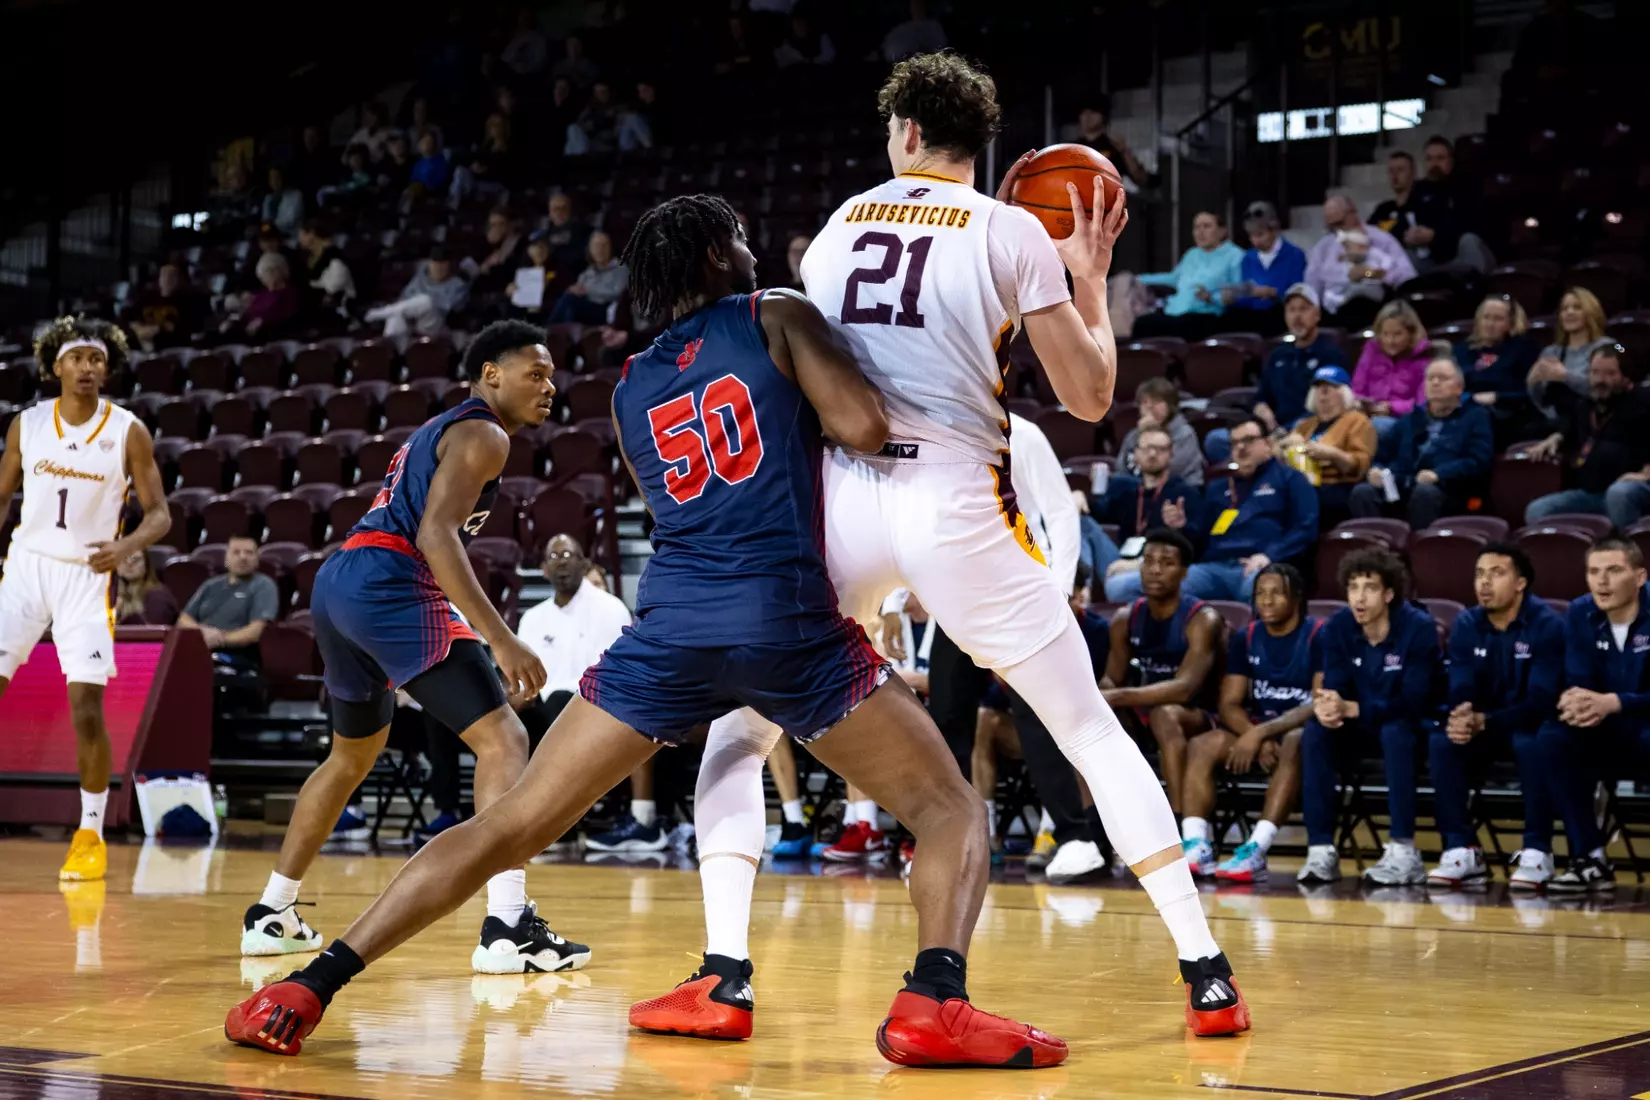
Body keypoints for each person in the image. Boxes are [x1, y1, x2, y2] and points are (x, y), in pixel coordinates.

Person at [227, 199, 1069, 1069]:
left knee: (512, 823)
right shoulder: (774, 312)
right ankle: (934, 999)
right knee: (947, 807)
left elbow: (668, 505)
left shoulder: (630, 384)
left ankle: (308, 986)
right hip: (783, 620)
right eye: (738, 238)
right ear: (713, 255)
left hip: (671, 629)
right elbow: (863, 428)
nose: (750, 250)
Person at [648, 53, 1248, 1042]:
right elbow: (1090, 398)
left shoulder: (840, 225)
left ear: (908, 134)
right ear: (979, 143)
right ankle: (1207, 974)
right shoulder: (1011, 230)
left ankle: (722, 974)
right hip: (957, 501)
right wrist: (1089, 280)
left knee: (742, 733)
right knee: (1089, 731)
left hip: (844, 498)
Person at [230, 321, 591, 988]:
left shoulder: (442, 428)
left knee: (350, 757)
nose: (550, 387)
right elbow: (436, 536)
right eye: (535, 374)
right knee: (506, 740)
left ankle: (272, 913)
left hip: (340, 581)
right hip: (390, 582)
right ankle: (508, 925)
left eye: (551, 376)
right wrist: (501, 637)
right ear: (490, 375)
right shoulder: (486, 434)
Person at [0, 317, 170, 881]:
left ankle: (89, 834)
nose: (87, 368)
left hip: (86, 577)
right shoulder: (27, 425)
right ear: (56, 366)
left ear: (107, 368)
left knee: (86, 709)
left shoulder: (128, 430)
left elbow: (160, 515)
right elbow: (1, 496)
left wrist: (125, 546)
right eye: (76, 358)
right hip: (26, 568)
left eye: (96, 359)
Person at [1297, 549, 1444, 887]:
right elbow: (1335, 685)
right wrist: (1329, 706)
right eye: (1353, 587)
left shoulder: (1418, 628)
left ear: (1389, 594)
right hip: (1361, 725)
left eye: (1370, 588)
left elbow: (1414, 700)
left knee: (1396, 732)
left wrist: (1355, 708)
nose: (1359, 597)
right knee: (1315, 732)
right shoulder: (1337, 627)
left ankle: (1403, 851)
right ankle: (1320, 849)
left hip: (1413, 724)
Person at [1432, 543, 1565, 889]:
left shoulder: (1547, 625)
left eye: (1496, 573)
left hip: (1530, 722)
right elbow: (1460, 682)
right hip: (1483, 725)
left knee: (1533, 742)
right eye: (1479, 574)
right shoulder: (1466, 623)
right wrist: (1462, 712)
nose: (1485, 583)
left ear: (1521, 583)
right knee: (1442, 742)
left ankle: (1538, 850)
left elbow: (1540, 700)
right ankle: (1462, 849)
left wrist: (1485, 721)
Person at [1183, 564, 1319, 881]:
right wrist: (1255, 735)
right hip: (1257, 732)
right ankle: (1196, 845)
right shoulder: (1246, 637)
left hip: (1297, 735)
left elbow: (1317, 703)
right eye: (1260, 593)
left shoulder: (1318, 635)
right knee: (1203, 744)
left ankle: (1256, 850)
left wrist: (1261, 733)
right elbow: (1229, 703)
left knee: (1296, 739)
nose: (1266, 601)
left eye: (1276, 593)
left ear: (1297, 598)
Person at [1541, 536, 1650, 893]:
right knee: (1553, 738)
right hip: (1607, 725)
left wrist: (1616, 702)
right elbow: (1579, 678)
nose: (1602, 581)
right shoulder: (1579, 612)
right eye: (1593, 572)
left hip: (1643, 722)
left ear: (1640, 577)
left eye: (1614, 570)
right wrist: (1577, 701)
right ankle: (1589, 856)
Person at [1115, 415, 1317, 602]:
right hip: (1212, 568)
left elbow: (1306, 528)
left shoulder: (1290, 479)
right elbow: (1200, 541)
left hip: (1259, 564)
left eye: (1248, 440)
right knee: (1123, 588)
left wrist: (1270, 556)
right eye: (1235, 443)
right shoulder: (1219, 488)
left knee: (1263, 588)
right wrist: (1181, 528)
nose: (1241, 448)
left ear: (1267, 444)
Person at [1099, 530, 1226, 820]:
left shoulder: (1202, 619)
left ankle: (1177, 822)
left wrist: (1115, 696)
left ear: (1184, 572)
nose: (1155, 570)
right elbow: (1112, 679)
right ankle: (1103, 823)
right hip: (1142, 709)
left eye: (1167, 563)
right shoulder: (1125, 618)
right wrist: (1099, 696)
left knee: (1164, 715)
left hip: (1198, 715)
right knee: (1096, 719)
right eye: (1149, 561)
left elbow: (1184, 689)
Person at [1206, 284, 1347, 463]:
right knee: (1216, 440)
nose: (1297, 316)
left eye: (1303, 309)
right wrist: (1261, 408)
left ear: (1317, 315)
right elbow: (1262, 396)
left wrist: (1298, 428)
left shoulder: (1331, 355)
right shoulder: (1277, 355)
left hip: (1310, 431)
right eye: (1291, 310)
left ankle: (1268, 460)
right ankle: (1267, 459)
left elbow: (1334, 405)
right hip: (1273, 432)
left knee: (1299, 441)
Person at [1353, 355, 1493, 530]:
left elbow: (1479, 461)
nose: (1435, 383)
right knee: (1363, 492)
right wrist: (1376, 469)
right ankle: (1375, 544)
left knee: (1424, 492)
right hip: (1401, 484)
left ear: (1459, 387)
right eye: (1430, 378)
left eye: (1442, 378)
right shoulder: (1411, 418)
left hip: (1448, 488)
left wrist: (1438, 474)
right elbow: (1382, 454)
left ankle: (1421, 545)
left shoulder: (1475, 416)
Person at [1522, 344, 1650, 525]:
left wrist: (1647, 473)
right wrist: (1557, 437)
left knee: (1619, 493)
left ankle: (1624, 542)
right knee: (1538, 510)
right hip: (1594, 494)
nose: (1600, 380)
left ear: (1626, 376)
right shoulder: (1586, 405)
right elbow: (1570, 427)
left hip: (1634, 488)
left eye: (1610, 374)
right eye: (1595, 372)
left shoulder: (1643, 401)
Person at [1094, 425, 1204, 598]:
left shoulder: (1186, 494)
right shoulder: (1128, 493)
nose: (1152, 454)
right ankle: (1078, 594)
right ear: (1136, 454)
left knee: (1119, 587)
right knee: (1081, 522)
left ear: (1170, 454)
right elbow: (1099, 513)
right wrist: (1079, 498)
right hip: (1122, 560)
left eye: (1160, 449)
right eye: (1146, 448)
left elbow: (1196, 547)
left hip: (1157, 566)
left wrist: (1179, 527)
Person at [1279, 365, 1376, 527]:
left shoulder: (1357, 421)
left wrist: (1332, 454)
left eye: (1331, 386)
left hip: (1337, 486)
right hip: (1302, 485)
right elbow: (1277, 453)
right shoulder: (1305, 425)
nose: (1323, 392)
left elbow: (1360, 465)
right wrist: (1284, 446)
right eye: (1318, 387)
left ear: (1344, 393)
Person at [1306, 193, 1416, 329]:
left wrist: (1368, 273)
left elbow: (1407, 277)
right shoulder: (1322, 249)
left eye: (1340, 223)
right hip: (1335, 314)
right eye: (1331, 227)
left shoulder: (1381, 240)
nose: (1337, 231)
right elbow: (1311, 291)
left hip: (1377, 310)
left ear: (1353, 214)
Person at [1132, 211, 1243, 339]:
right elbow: (1175, 278)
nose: (1200, 232)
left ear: (1222, 231)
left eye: (1206, 226)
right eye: (1196, 227)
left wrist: (1212, 297)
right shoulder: (1192, 254)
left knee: (1182, 325)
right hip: (1176, 312)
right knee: (1142, 323)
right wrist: (1138, 279)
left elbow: (1240, 291)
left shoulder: (1235, 255)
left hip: (1208, 314)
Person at [178, 536, 280, 668]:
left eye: (249, 552)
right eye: (236, 552)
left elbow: (255, 632)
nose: (243, 557)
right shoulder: (211, 585)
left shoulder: (264, 585)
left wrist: (220, 639)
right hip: (201, 649)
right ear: (226, 559)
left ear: (257, 560)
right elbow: (184, 619)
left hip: (238, 656)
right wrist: (202, 633)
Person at [1455, 294, 1540, 446]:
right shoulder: (1461, 351)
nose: (1490, 324)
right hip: (1466, 410)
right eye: (1486, 317)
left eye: (1498, 319)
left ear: (1510, 323)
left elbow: (1530, 393)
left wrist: (1498, 397)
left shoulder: (1523, 349)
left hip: (1506, 415)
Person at [1222, 201, 1307, 336]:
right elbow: (1247, 294)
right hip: (1254, 313)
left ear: (1274, 231)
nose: (1255, 241)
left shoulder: (1294, 255)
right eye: (1251, 236)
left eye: (1260, 235)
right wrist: (1232, 298)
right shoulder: (1248, 258)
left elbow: (1298, 291)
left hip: (1279, 312)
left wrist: (1273, 293)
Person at [1351, 299, 1430, 439]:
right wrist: (1361, 403)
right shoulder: (1371, 352)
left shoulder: (1423, 359)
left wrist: (1391, 408)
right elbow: (1356, 390)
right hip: (1368, 416)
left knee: (1376, 426)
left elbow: (1423, 404)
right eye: (1385, 334)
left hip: (1404, 421)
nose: (1390, 340)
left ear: (1411, 334)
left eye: (1397, 334)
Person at [1527, 287, 1613, 414]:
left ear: (1591, 312)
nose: (1569, 312)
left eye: (1577, 307)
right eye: (1564, 309)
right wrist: (1532, 383)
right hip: (1556, 419)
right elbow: (1541, 401)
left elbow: (1605, 390)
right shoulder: (1551, 352)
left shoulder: (1607, 345)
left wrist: (1566, 376)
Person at [1116, 376, 1204, 487]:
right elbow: (1120, 468)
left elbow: (1167, 470)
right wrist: (1143, 433)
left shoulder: (1184, 434)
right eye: (1144, 402)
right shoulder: (1133, 436)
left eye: (1156, 401)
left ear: (1170, 406)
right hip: (1137, 490)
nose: (1149, 406)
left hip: (1179, 489)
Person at [365, 247, 470, 338]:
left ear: (449, 266)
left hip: (435, 324)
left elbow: (450, 310)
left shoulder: (458, 285)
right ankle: (389, 350)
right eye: (435, 263)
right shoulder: (421, 278)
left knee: (426, 301)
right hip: (412, 322)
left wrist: (421, 306)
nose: (438, 267)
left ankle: (380, 313)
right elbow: (404, 299)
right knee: (396, 315)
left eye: (442, 264)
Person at [547, 231, 627, 326]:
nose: (600, 249)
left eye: (604, 245)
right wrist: (576, 290)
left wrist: (588, 291)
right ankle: (555, 330)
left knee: (570, 301)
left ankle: (548, 328)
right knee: (568, 300)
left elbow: (619, 293)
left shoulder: (620, 269)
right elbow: (579, 291)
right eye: (596, 246)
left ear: (610, 248)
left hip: (606, 309)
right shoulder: (587, 273)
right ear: (590, 249)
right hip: (585, 307)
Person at [125, 262, 206, 352]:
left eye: (172, 276)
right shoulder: (146, 299)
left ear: (180, 280)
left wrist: (158, 329)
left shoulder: (188, 301)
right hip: (144, 348)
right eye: (164, 276)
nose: (167, 280)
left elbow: (184, 330)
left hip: (175, 349)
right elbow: (132, 323)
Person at [1072, 96, 1150, 188]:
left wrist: (1124, 151)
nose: (1087, 116)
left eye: (1093, 112)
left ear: (1103, 117)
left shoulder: (1115, 147)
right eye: (1084, 112)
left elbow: (1141, 179)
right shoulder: (1072, 148)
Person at [114, 550, 179, 626]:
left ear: (146, 564)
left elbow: (154, 631)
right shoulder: (112, 595)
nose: (129, 563)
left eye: (135, 559)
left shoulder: (157, 597)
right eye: (124, 559)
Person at [881, 0, 947, 61]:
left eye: (920, 5)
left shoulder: (934, 27)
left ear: (924, 7)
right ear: (910, 7)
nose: (917, 8)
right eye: (915, 5)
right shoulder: (901, 30)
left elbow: (942, 47)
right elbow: (890, 52)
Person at [262, 166, 305, 237]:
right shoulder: (268, 198)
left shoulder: (296, 195)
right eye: (271, 179)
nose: (274, 182)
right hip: (273, 238)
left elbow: (289, 221)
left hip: (291, 237)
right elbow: (266, 222)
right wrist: (265, 230)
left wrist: (271, 225)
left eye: (277, 178)